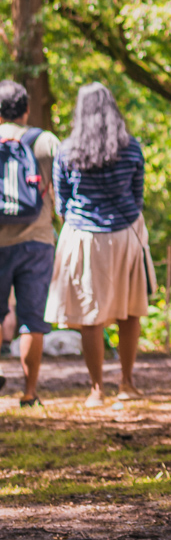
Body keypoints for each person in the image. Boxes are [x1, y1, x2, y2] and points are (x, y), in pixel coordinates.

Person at [44, 84, 154, 408]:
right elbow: (138, 197)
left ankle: (96, 389)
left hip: (83, 236)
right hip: (126, 235)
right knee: (130, 310)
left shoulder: (67, 151)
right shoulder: (131, 148)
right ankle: (128, 383)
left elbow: (61, 204)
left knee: (89, 314)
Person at [0, 79, 58, 406]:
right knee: (31, 318)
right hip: (37, 240)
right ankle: (29, 392)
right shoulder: (45, 141)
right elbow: (63, 186)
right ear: (26, 109)